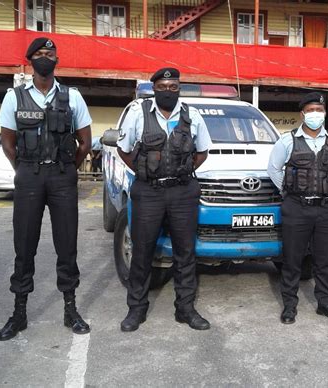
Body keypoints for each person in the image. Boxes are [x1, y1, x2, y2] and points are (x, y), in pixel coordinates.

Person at [0, 37, 92, 341]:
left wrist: (65, 170)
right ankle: (19, 312)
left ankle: (70, 309)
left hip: (62, 176)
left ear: (56, 60)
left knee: (67, 245)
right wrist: (25, 171)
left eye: (50, 53)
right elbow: (8, 144)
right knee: (24, 246)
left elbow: (85, 142)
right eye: (40, 54)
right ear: (30, 60)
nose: (45, 57)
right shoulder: (15, 97)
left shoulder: (72, 97)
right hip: (29, 177)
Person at [117, 67, 212, 332]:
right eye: (162, 87)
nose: (168, 91)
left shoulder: (191, 115)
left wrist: (178, 172)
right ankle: (136, 310)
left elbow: (202, 152)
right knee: (142, 251)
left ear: (179, 88)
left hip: (182, 192)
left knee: (185, 252)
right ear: (153, 88)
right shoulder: (138, 112)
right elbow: (124, 150)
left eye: (173, 86)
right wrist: (144, 170)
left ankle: (186, 309)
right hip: (148, 192)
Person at [268, 92, 328, 324]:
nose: (315, 114)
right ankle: (290, 305)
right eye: (311, 110)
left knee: (324, 260)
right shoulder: (287, 140)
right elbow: (273, 170)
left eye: (319, 110)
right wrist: (291, 190)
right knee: (292, 259)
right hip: (296, 207)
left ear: (324, 113)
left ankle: (325, 303)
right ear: (302, 114)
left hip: (325, 208)